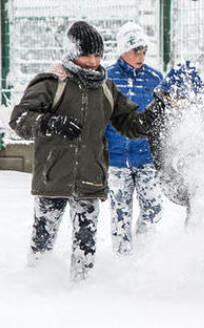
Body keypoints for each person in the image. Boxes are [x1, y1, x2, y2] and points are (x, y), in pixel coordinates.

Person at [9, 21, 159, 281]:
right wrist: (49, 122)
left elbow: (130, 123)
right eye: (86, 54)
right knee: (42, 242)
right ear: (71, 53)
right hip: (52, 179)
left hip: (90, 179)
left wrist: (155, 116)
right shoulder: (52, 83)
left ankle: (81, 294)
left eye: (98, 55)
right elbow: (19, 119)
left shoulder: (105, 88)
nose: (93, 61)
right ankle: (36, 290)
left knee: (85, 246)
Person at [146, 61, 204, 225]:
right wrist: (167, 166)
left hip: (202, 170)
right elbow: (155, 145)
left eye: (183, 97)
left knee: (200, 196)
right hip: (171, 174)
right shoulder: (157, 111)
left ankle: (199, 230)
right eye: (172, 96)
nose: (178, 102)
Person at [105, 22, 163, 255]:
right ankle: (123, 258)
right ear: (122, 50)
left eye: (143, 50)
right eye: (135, 49)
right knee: (120, 211)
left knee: (153, 207)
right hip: (117, 159)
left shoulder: (155, 78)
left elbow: (162, 118)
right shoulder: (106, 78)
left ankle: (143, 253)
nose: (140, 55)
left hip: (147, 158)